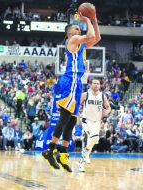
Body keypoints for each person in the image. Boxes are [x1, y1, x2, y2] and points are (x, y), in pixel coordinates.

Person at [42, 4, 101, 173]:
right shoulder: (72, 40)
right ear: (69, 33)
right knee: (65, 116)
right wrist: (88, 19)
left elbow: (96, 37)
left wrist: (94, 19)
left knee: (73, 120)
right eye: (76, 28)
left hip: (77, 83)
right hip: (70, 80)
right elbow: (89, 34)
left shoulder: (81, 44)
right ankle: (50, 149)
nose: (79, 28)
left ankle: (62, 151)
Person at [78, 78, 111, 172]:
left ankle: (87, 154)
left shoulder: (102, 96)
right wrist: (77, 116)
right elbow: (77, 105)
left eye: (98, 83)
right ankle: (81, 164)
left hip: (96, 122)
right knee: (89, 139)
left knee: (95, 139)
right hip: (86, 121)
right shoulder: (85, 94)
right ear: (91, 85)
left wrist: (107, 112)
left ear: (100, 85)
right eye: (94, 83)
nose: (96, 85)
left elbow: (109, 108)